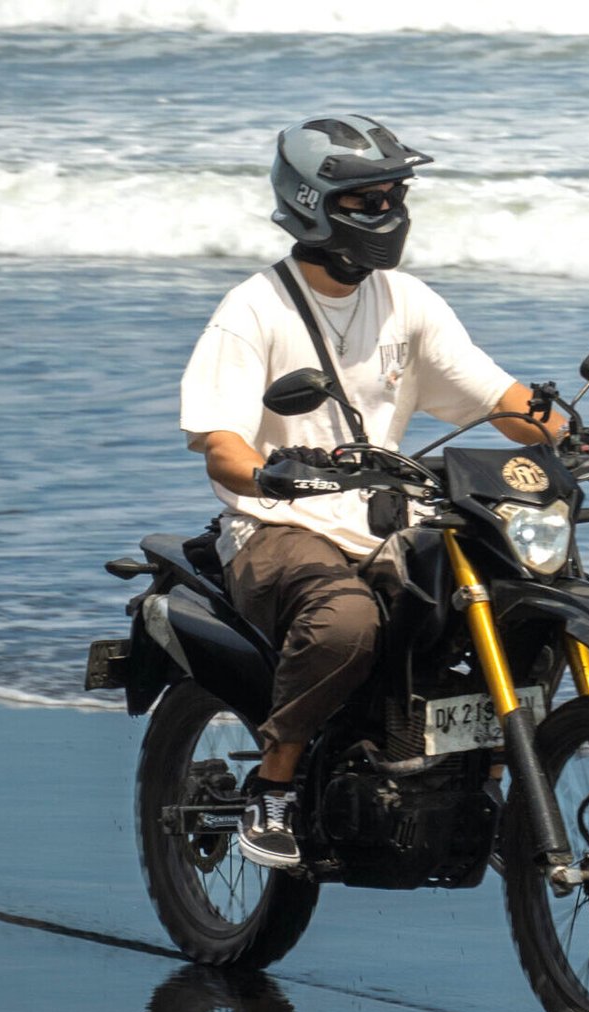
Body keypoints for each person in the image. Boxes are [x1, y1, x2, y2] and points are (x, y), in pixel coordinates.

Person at [178, 115, 554, 869]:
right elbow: (220, 444)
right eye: (366, 200)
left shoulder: (407, 302)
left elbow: (497, 393)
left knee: (514, 603)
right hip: (278, 528)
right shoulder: (253, 309)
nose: (388, 213)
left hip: (388, 522)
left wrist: (565, 430)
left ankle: (487, 780)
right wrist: (269, 473)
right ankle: (274, 788)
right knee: (346, 623)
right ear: (312, 205)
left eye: (395, 195)